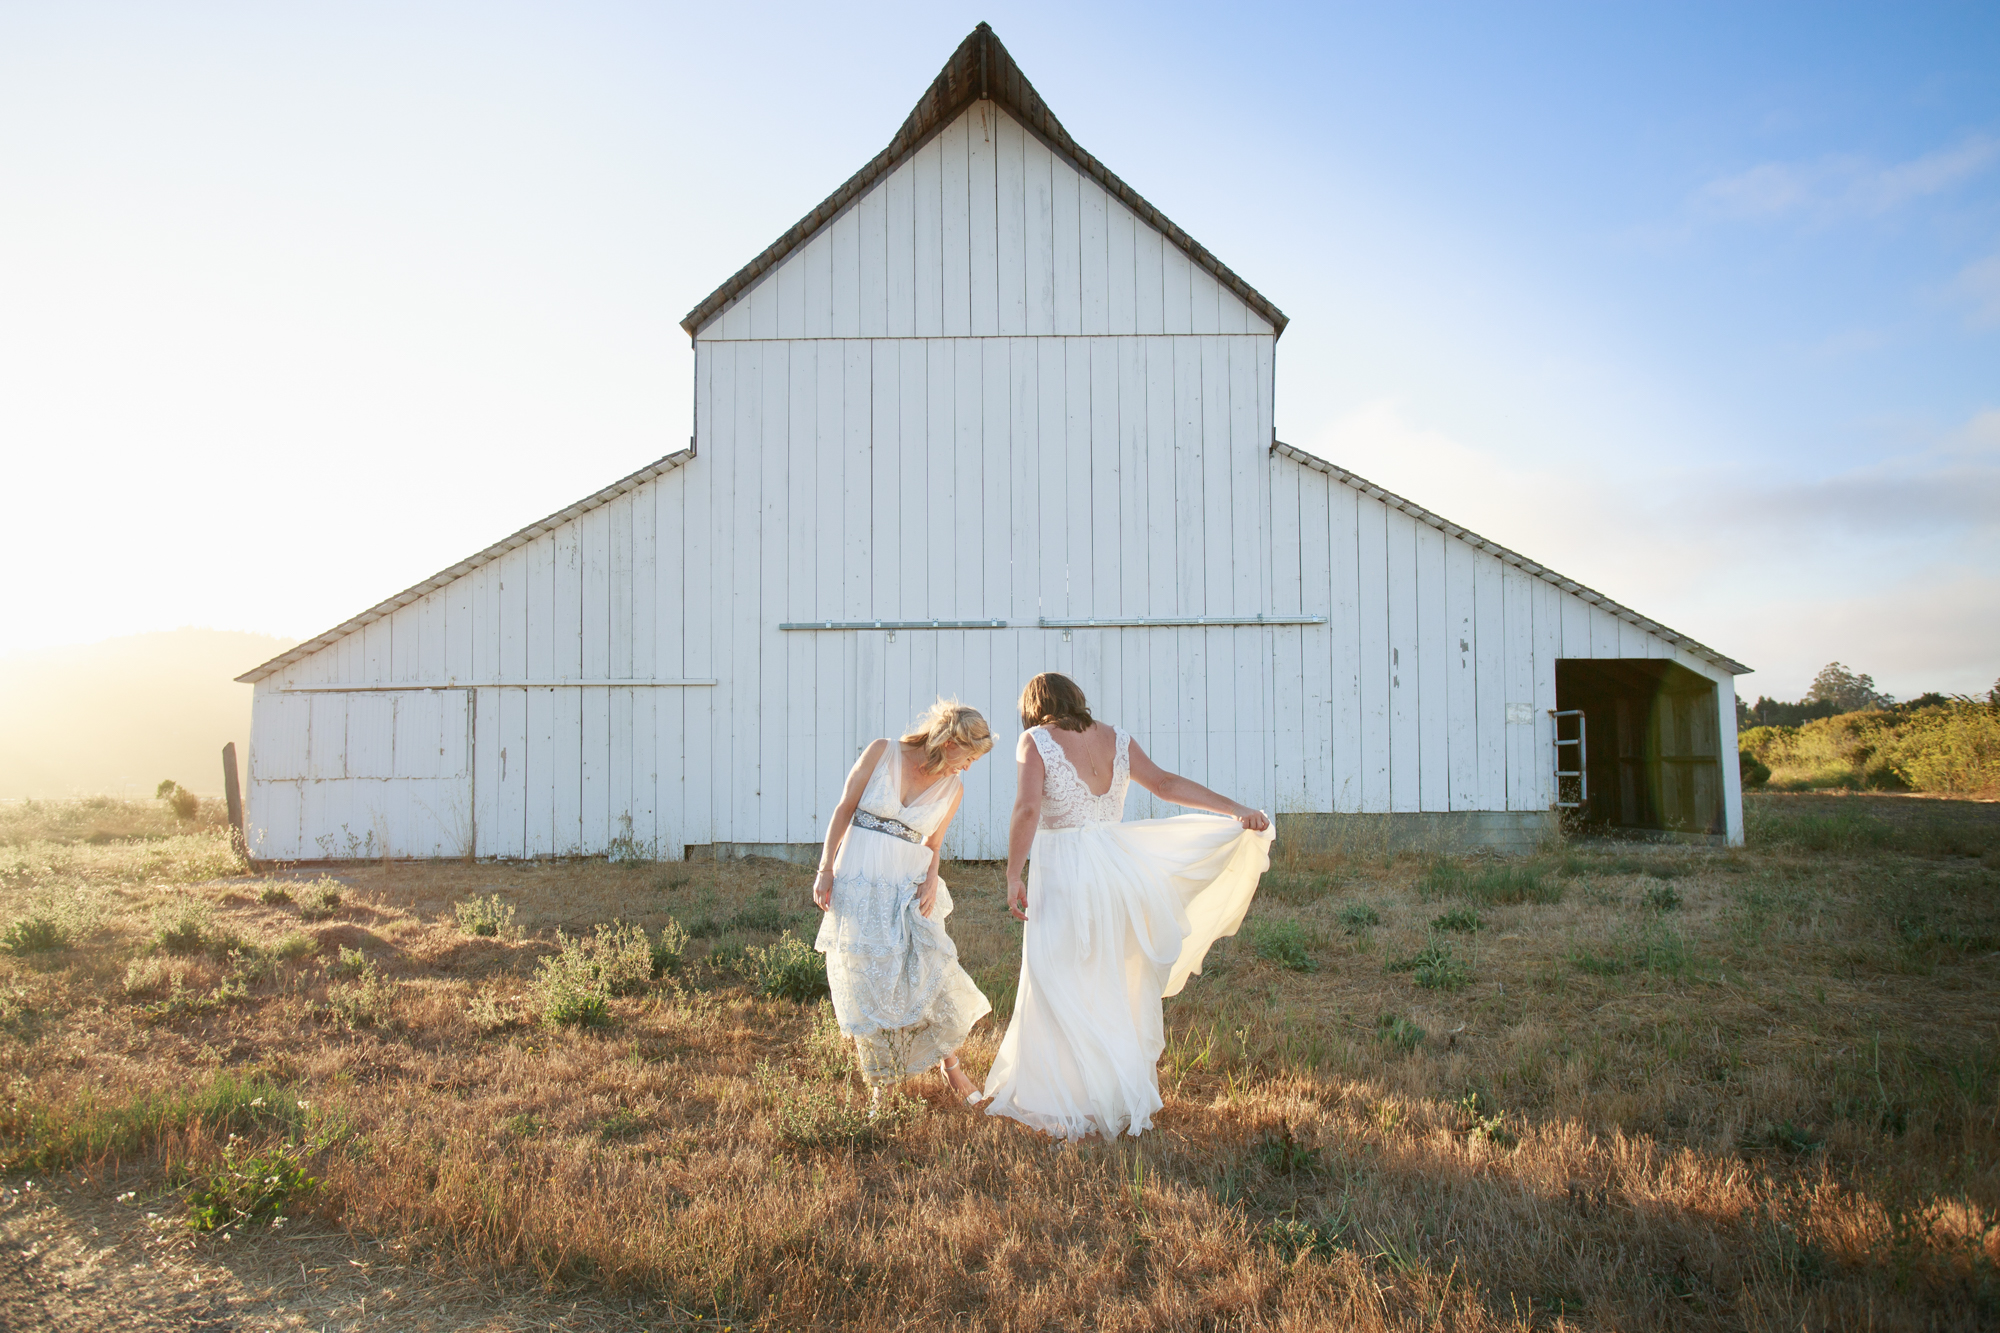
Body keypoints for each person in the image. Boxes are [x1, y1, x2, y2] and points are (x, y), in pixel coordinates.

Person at [982, 673, 1273, 1139]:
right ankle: (1110, 1092)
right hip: (1115, 871)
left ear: (1034, 708)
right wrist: (1235, 809)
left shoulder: (1034, 740)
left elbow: (1028, 810)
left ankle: (1071, 1099)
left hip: (1065, 873)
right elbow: (1164, 783)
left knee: (1057, 977)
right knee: (1110, 981)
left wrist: (1014, 873)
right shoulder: (1117, 738)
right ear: (1076, 699)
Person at [812, 699, 995, 1106]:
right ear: (947, 741)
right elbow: (844, 809)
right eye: (966, 757)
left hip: (908, 887)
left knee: (928, 967)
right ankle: (882, 1088)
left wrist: (931, 882)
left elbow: (934, 844)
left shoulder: (954, 788)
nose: (966, 768)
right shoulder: (882, 752)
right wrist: (826, 869)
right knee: (869, 979)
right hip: (859, 881)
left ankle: (953, 1069)